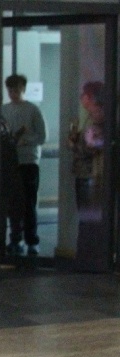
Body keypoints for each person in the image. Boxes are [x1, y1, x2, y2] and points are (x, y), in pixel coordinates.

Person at [1, 74, 47, 257]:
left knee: (28, 203)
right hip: (10, 162)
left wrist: (24, 141)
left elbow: (42, 136)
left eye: (17, 90)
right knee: (13, 204)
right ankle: (15, 238)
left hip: (28, 161)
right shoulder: (3, 110)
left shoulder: (33, 110)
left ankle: (31, 240)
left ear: (23, 89)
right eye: (11, 90)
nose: (13, 93)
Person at [68, 80, 106, 272]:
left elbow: (94, 147)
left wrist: (76, 145)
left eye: (84, 95)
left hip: (91, 175)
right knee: (87, 217)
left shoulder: (98, 118)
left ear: (90, 97)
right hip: (86, 174)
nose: (81, 98)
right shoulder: (90, 118)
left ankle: (88, 258)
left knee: (89, 218)